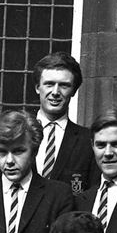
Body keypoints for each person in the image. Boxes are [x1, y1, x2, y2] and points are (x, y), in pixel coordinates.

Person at [31, 52, 97, 196]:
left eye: (64, 86)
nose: (55, 92)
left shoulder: (88, 140)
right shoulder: (19, 132)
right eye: (49, 84)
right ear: (37, 87)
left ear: (73, 90)